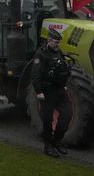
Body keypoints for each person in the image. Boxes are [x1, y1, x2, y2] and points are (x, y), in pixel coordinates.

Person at [31, 28, 72, 157]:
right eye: (55, 42)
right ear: (49, 40)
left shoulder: (58, 52)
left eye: (59, 42)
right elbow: (35, 74)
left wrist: (64, 85)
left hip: (59, 89)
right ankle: (48, 146)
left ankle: (57, 141)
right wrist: (38, 92)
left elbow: (62, 70)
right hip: (47, 91)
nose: (57, 45)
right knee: (47, 120)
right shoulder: (41, 54)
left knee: (67, 114)